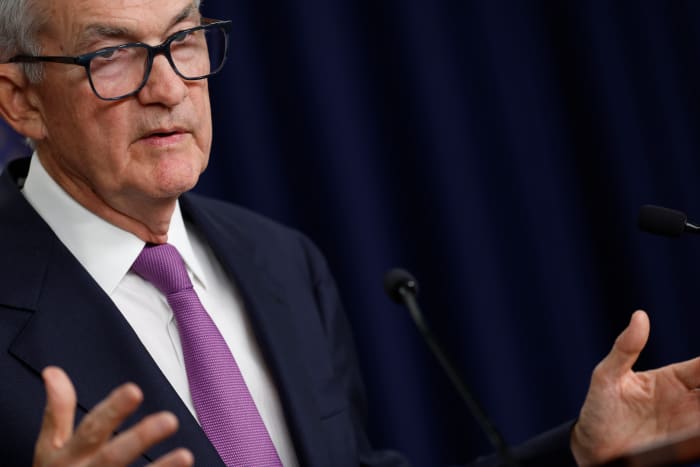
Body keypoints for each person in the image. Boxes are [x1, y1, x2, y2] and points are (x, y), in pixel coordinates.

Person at [0, 0, 699, 466]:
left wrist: (579, 451)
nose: (168, 87)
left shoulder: (280, 261)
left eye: (183, 39)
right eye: (112, 56)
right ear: (21, 100)